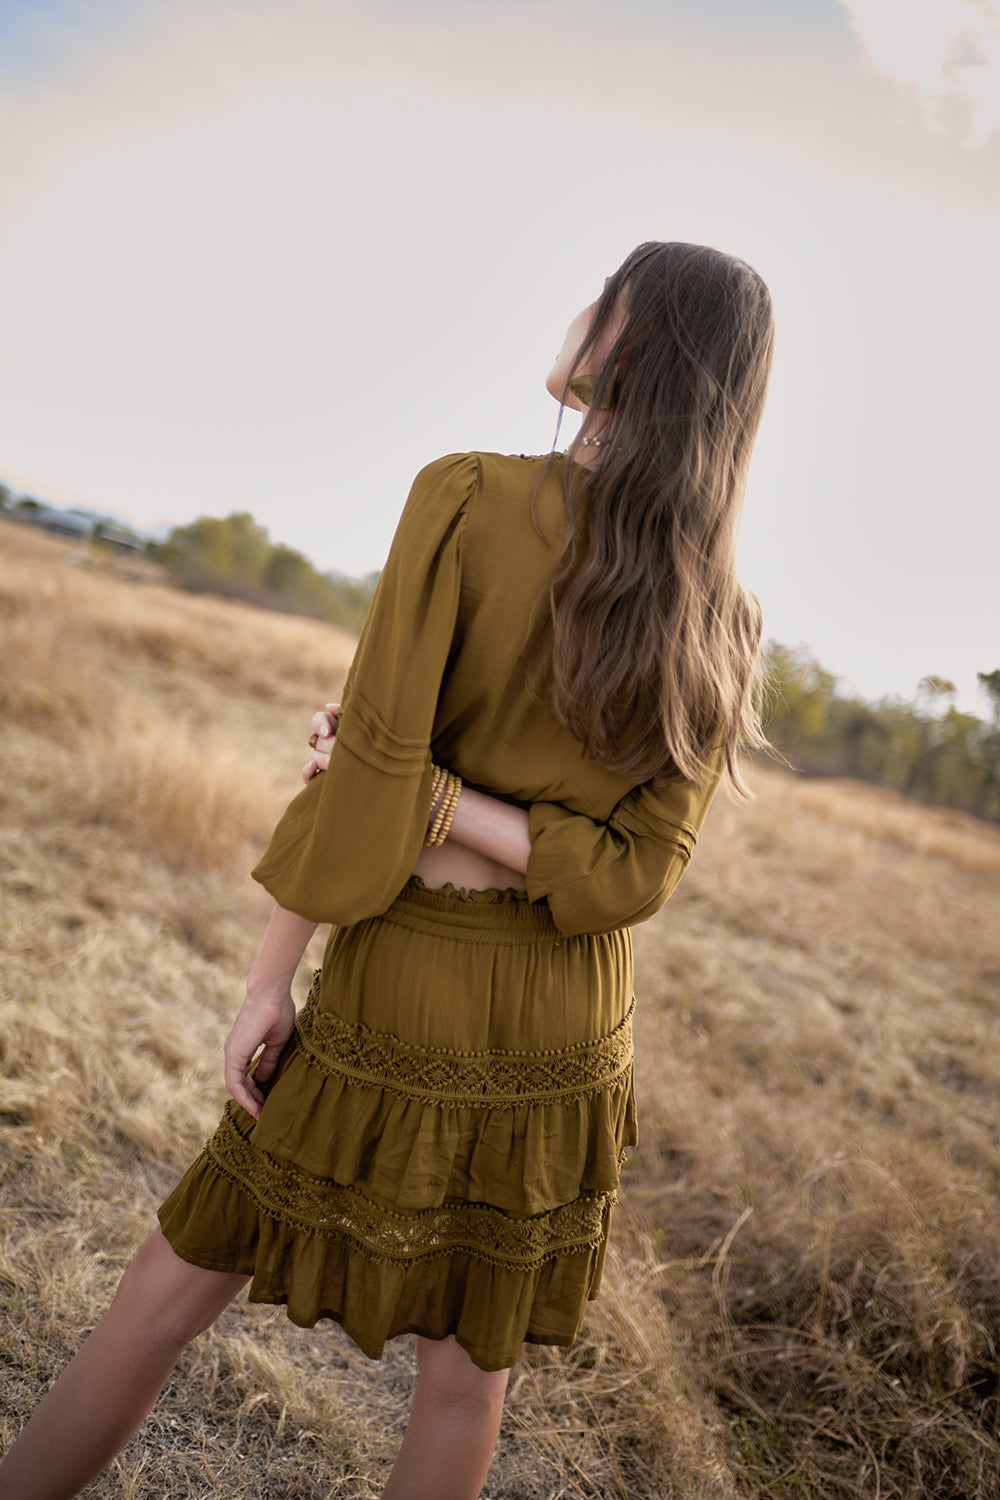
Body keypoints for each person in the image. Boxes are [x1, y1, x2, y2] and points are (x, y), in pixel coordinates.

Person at [0, 240, 774, 1500]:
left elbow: (373, 774)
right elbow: (632, 880)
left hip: (403, 981)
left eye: (604, 294)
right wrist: (441, 795)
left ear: (631, 340)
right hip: (568, 1028)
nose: (578, 310)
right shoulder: (725, 614)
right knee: (468, 1382)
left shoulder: (465, 494)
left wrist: (276, 973)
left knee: (165, 1289)